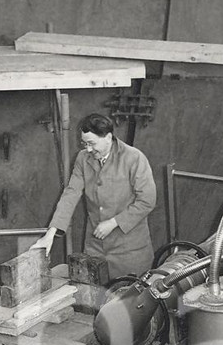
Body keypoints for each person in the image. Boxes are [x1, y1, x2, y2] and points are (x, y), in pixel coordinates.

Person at [44, 113, 157, 281]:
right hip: (96, 247)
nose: (88, 149)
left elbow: (147, 201)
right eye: (85, 143)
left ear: (108, 137)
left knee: (128, 294)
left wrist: (114, 222)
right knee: (93, 292)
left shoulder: (134, 158)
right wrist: (51, 233)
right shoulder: (83, 158)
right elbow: (71, 193)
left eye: (92, 143)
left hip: (129, 250)